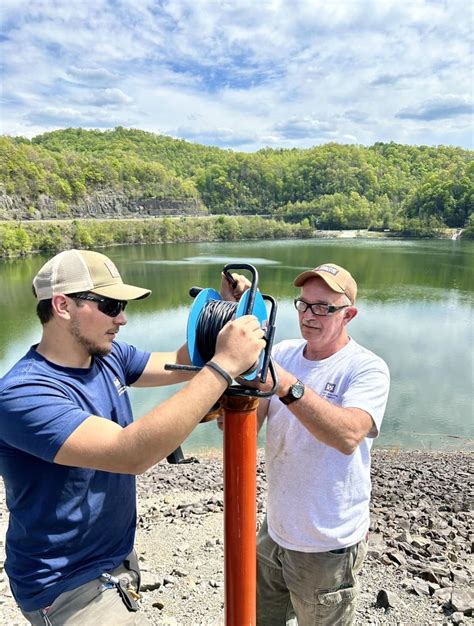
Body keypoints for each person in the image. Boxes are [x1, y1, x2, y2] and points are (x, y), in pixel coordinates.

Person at [0, 249, 265, 626]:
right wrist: (225, 365)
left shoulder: (107, 356)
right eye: (110, 305)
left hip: (114, 559)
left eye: (122, 305)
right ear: (62, 306)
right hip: (66, 587)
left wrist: (230, 318)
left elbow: (183, 361)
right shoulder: (25, 394)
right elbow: (130, 453)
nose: (122, 318)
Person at [255, 263, 390, 626]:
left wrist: (288, 387)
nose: (309, 315)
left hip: (326, 544)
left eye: (323, 308)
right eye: (303, 304)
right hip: (275, 531)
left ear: (349, 314)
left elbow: (348, 435)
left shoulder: (366, 368)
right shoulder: (282, 353)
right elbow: (250, 423)